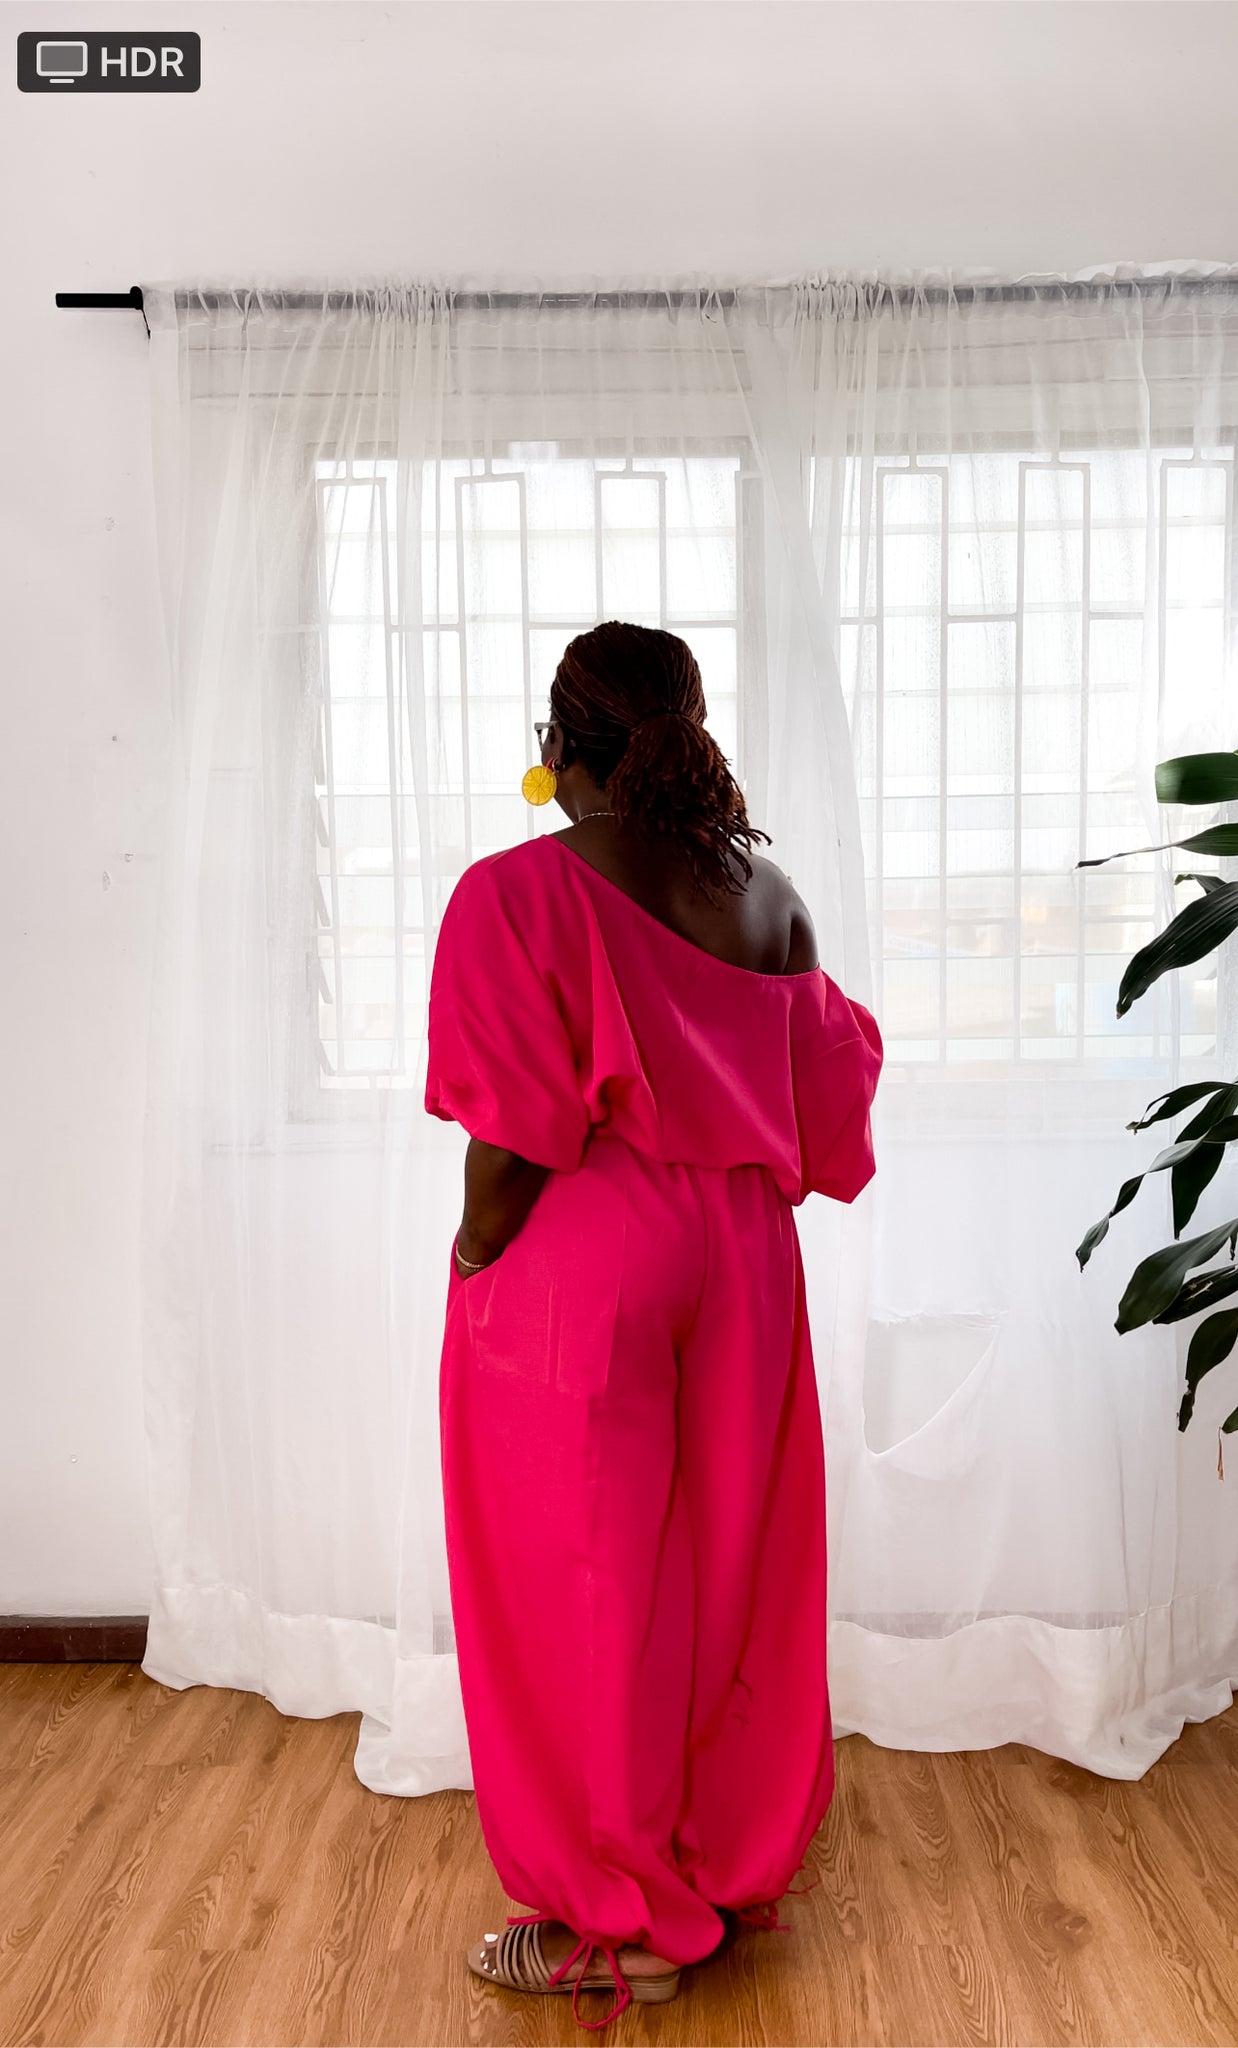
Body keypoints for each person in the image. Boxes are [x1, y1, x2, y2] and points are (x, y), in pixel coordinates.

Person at [424, 621, 883, 2030]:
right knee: (733, 1560)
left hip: (589, 1252)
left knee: (584, 1579)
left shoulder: (517, 893)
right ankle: (718, 1865)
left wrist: (473, 1250)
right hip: (744, 1256)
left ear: (561, 745)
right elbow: (828, 1110)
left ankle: (615, 1925)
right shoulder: (769, 894)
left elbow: (513, 1137)